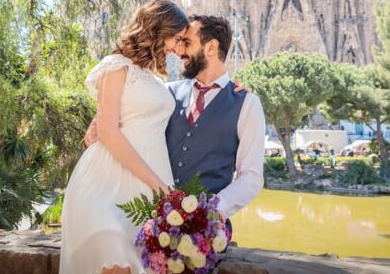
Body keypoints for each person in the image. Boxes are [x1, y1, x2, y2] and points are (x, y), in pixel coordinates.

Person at [85, 15, 266, 243]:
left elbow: (250, 177)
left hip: (206, 229)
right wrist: (97, 122)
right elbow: (121, 116)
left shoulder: (247, 104)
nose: (179, 51)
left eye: (187, 43)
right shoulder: (165, 94)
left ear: (211, 48)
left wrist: (209, 212)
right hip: (150, 220)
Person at [59, 0, 189, 274]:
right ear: (159, 30)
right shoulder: (116, 66)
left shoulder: (156, 79)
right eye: (176, 38)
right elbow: (106, 130)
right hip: (106, 183)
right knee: (114, 250)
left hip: (148, 187)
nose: (178, 48)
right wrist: (161, 187)